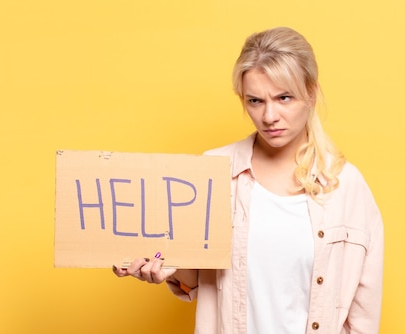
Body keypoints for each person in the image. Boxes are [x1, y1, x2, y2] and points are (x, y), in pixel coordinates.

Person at [113, 26, 384, 334]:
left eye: (284, 98)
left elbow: (363, 314)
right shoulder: (214, 172)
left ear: (310, 94)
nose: (269, 116)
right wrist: (161, 266)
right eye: (255, 101)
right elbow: (196, 279)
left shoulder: (347, 187)